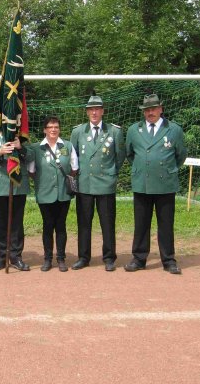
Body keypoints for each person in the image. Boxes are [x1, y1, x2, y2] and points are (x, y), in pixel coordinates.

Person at [124, 93, 187, 275]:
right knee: (141, 224)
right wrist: (143, 167)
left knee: (166, 224)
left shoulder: (173, 129)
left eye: (153, 109)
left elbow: (180, 155)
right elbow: (130, 154)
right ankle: (139, 259)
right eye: (147, 110)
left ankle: (168, 260)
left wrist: (167, 169)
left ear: (161, 109)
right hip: (142, 183)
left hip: (165, 183)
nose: (150, 112)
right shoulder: (134, 130)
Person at [70, 93, 126, 272]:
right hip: (85, 183)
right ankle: (83, 257)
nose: (94, 112)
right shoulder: (78, 132)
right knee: (84, 223)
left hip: (105, 184)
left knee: (107, 223)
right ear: (87, 112)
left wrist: (111, 173)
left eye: (97, 109)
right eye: (91, 109)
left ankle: (109, 258)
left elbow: (120, 156)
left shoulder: (114, 131)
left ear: (103, 111)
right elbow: (73, 156)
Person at [30, 116, 78, 272]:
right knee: (47, 225)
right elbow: (31, 171)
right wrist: (44, 181)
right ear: (44, 129)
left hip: (63, 193)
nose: (53, 129)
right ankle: (47, 259)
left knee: (61, 226)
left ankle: (61, 259)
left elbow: (74, 168)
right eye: (50, 127)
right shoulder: (36, 148)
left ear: (59, 129)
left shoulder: (67, 146)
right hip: (44, 193)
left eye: (56, 127)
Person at [0, 130, 33, 271]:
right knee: (1, 223)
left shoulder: (21, 136)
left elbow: (31, 156)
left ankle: (16, 257)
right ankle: (2, 256)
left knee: (17, 223)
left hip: (17, 184)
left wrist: (20, 147)